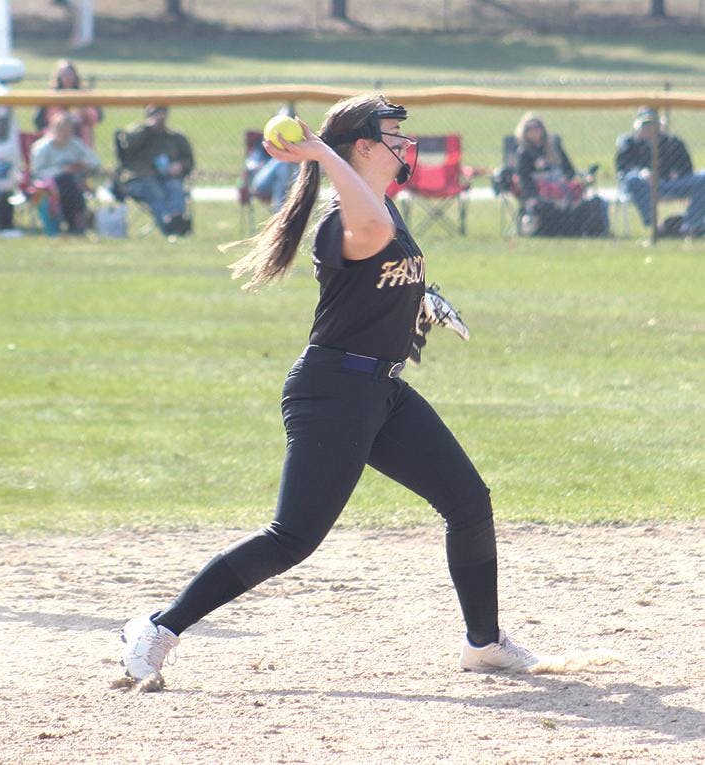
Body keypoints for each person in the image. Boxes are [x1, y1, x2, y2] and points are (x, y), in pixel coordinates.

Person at [120, 94, 543, 688]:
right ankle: (159, 628)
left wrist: (418, 302)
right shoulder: (348, 217)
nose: (406, 144)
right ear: (363, 147)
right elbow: (363, 230)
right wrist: (318, 151)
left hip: (382, 391)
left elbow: (378, 274)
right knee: (291, 538)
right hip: (332, 392)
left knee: (469, 501)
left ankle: (484, 642)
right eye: (393, 135)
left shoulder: (386, 210)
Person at [513, 113, 608, 237]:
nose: (534, 132)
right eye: (530, 129)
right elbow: (524, 180)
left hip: (564, 191)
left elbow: (570, 171)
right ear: (524, 132)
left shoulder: (554, 147)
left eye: (537, 128)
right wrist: (536, 197)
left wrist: (565, 180)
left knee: (595, 202)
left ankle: (592, 232)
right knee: (545, 207)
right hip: (543, 195)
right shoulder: (524, 153)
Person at [615, 106, 705, 238]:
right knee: (633, 179)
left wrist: (678, 173)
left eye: (652, 124)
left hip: (672, 184)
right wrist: (641, 173)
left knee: (702, 178)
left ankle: (690, 226)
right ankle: (655, 227)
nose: (649, 128)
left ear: (659, 125)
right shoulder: (629, 143)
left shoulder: (673, 142)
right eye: (645, 125)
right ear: (638, 126)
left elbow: (687, 167)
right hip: (645, 186)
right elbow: (622, 168)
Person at [115, 105, 194, 237]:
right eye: (155, 113)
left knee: (174, 187)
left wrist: (180, 166)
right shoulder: (135, 133)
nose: (160, 117)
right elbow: (124, 152)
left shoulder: (175, 137)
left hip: (168, 178)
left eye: (162, 112)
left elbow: (189, 161)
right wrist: (147, 129)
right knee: (154, 190)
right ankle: (170, 226)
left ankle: (177, 219)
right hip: (139, 180)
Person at [30, 111, 102, 235]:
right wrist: (63, 170)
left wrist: (83, 164)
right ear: (52, 129)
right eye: (61, 128)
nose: (65, 132)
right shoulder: (42, 147)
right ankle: (74, 223)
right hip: (47, 186)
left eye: (68, 129)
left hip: (74, 184)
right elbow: (37, 172)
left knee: (72, 182)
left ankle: (77, 224)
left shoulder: (75, 144)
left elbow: (95, 162)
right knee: (66, 180)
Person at [33, 59, 103, 148]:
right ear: (58, 76)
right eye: (63, 74)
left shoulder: (84, 95)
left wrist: (83, 110)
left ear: (75, 76)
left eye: (69, 74)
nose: (67, 77)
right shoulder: (50, 96)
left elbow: (97, 118)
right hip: (55, 140)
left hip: (81, 139)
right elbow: (39, 121)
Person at [246, 105, 298, 213]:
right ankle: (281, 212)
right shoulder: (265, 140)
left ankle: (281, 213)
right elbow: (251, 163)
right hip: (262, 183)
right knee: (283, 162)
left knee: (280, 179)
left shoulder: (299, 142)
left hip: (290, 182)